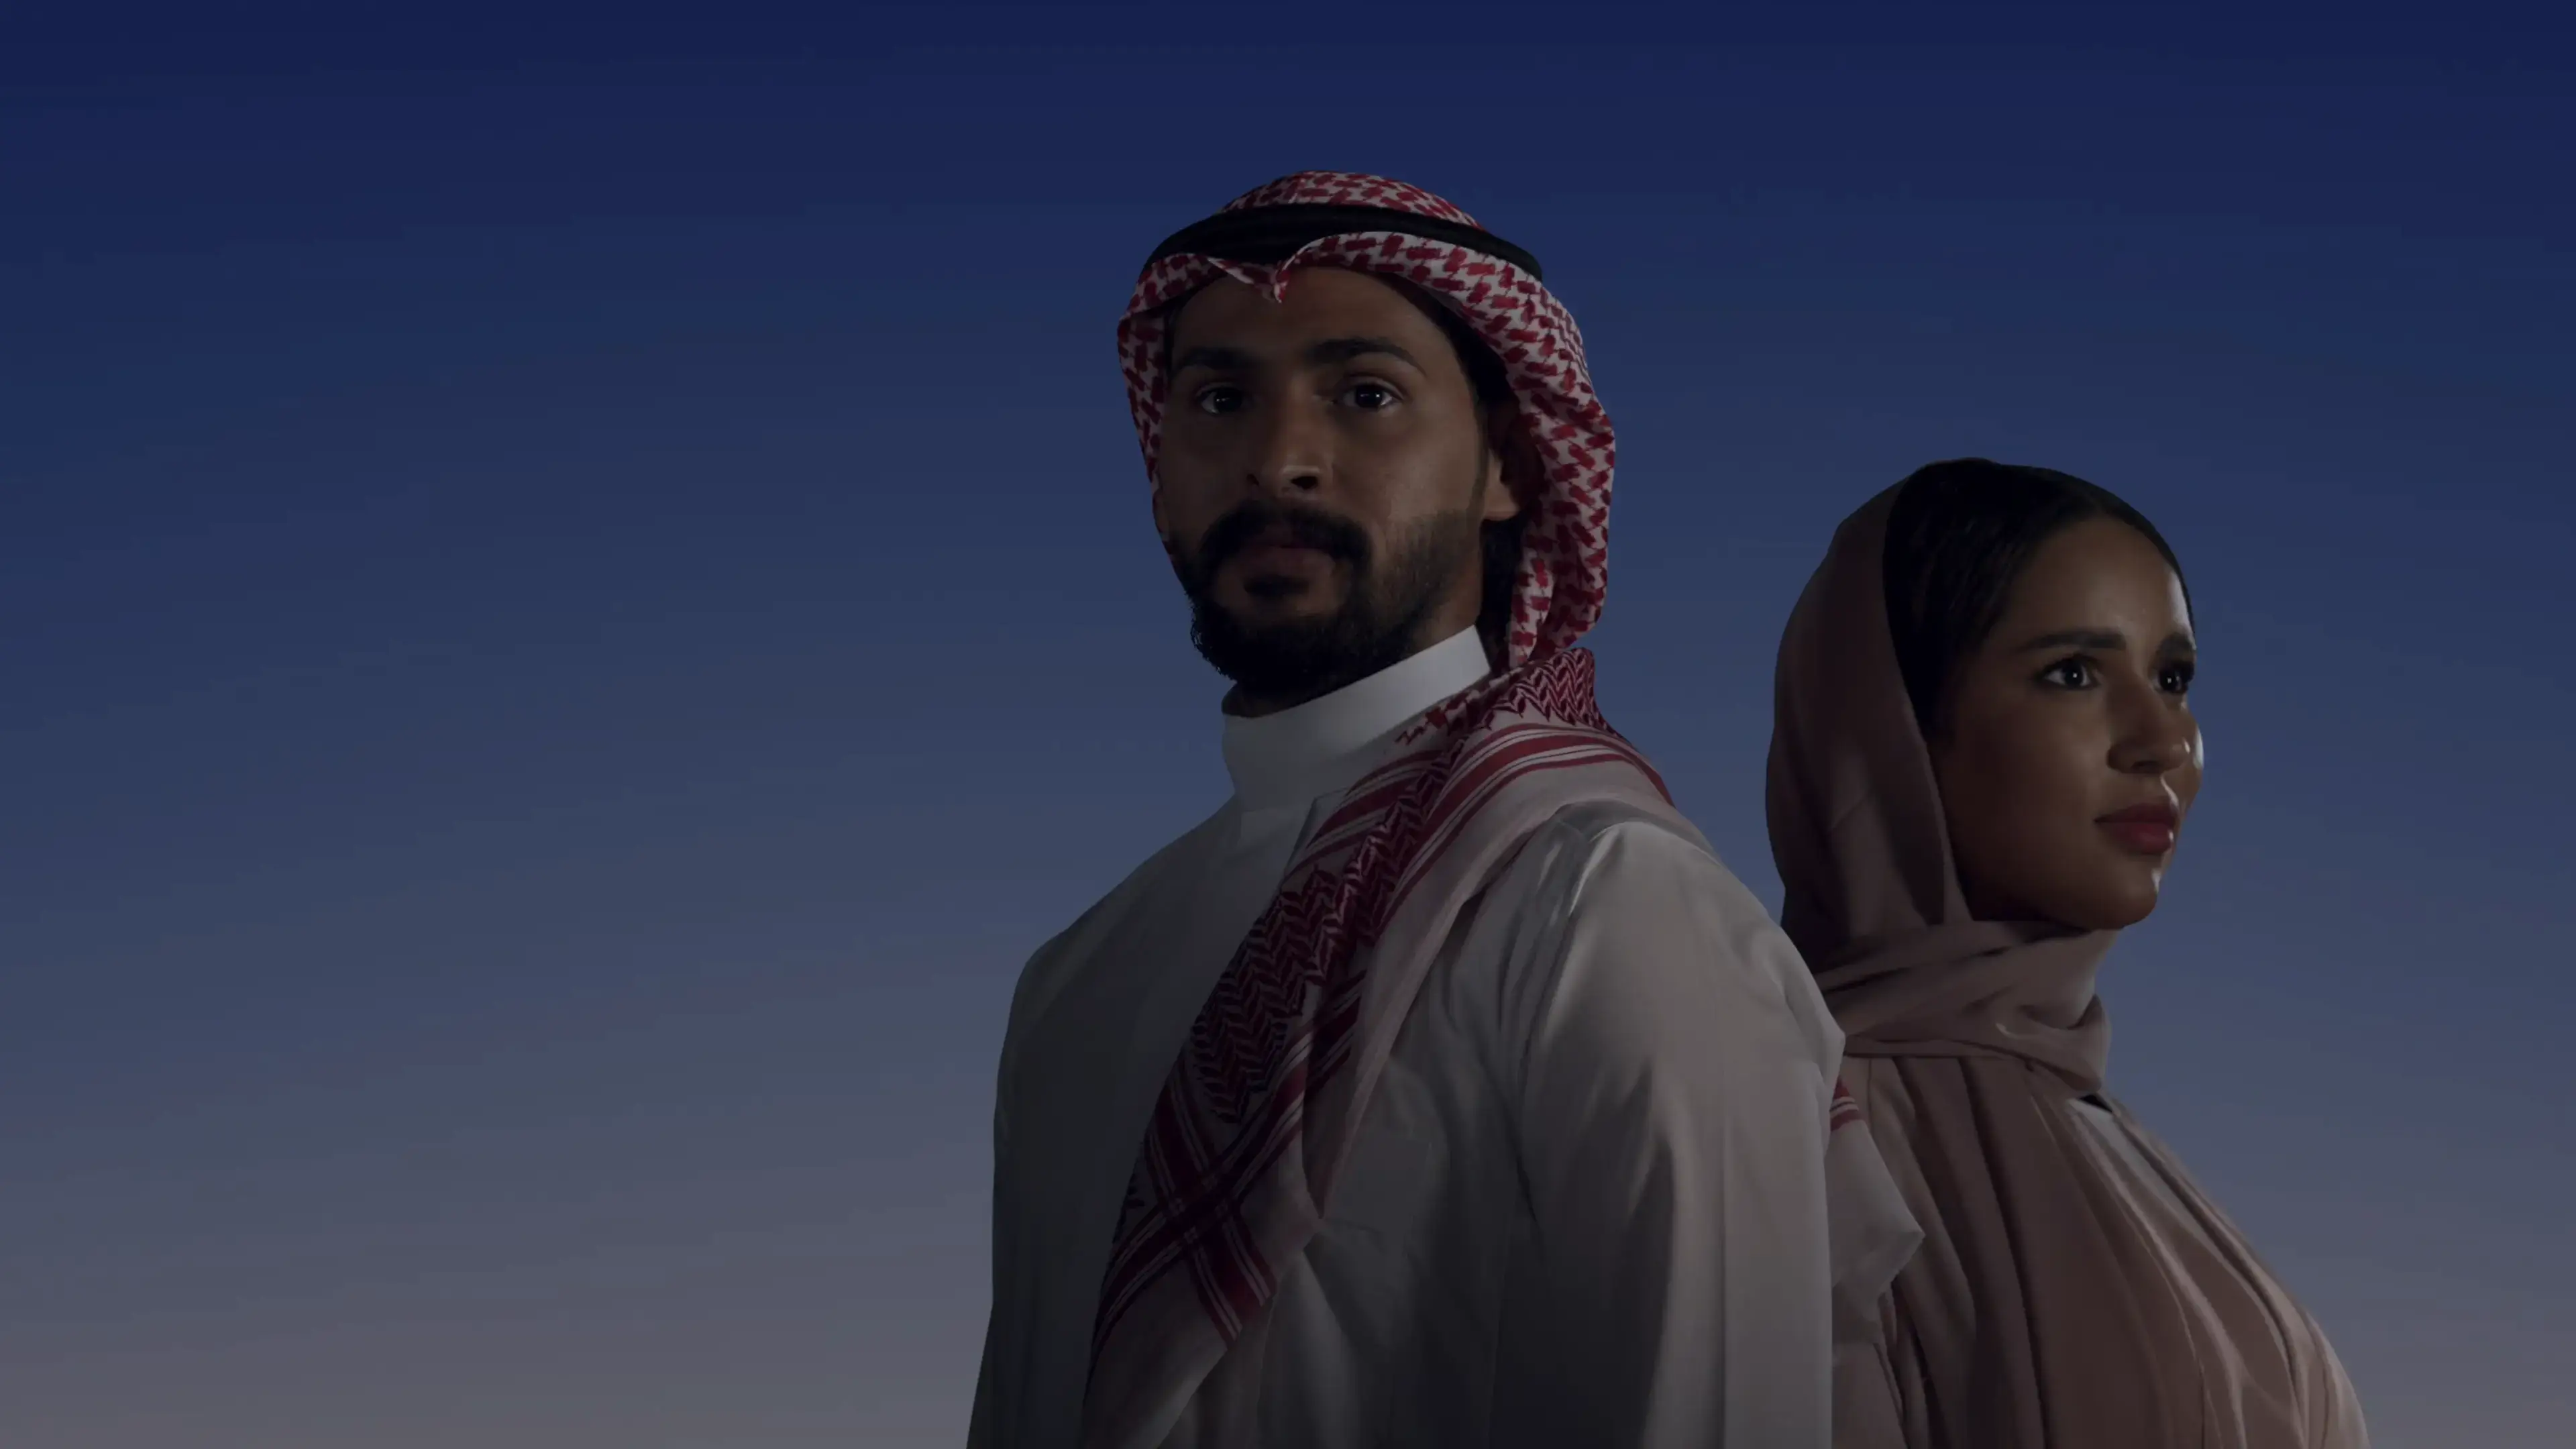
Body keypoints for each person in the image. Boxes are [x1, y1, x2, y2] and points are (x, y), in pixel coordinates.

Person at [968, 172, 1919, 1449]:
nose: (1279, 460)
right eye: (1220, 400)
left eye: (1365, 395)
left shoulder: (1603, 902)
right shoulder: (1075, 983)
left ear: (1509, 468)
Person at [1766, 460, 2369, 1448]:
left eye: (2173, 678)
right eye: (2075, 674)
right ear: (1893, 727)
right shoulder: (1783, 1138)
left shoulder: (2109, 1139)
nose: (2163, 739)